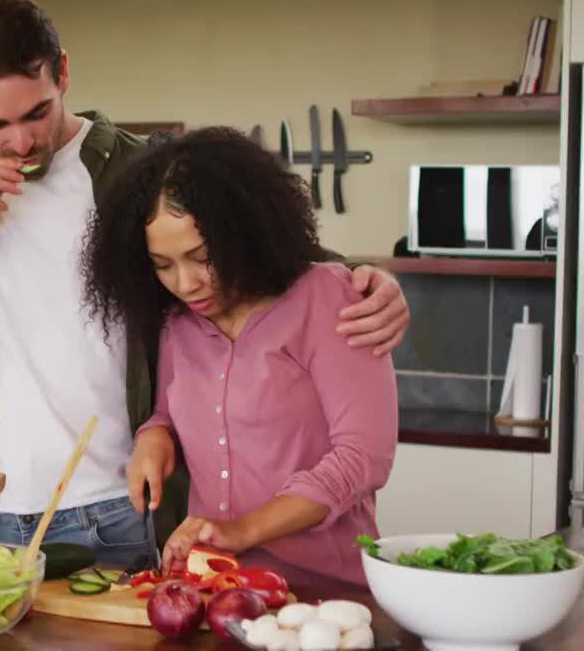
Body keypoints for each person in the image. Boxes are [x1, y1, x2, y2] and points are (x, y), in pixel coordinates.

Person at [0, 0, 409, 566]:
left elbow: (267, 251)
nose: (20, 142)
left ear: (63, 73)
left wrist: (365, 277)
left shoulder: (139, 170)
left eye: (36, 113)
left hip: (133, 512)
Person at [81, 126, 398, 588]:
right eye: (163, 265)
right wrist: (156, 437)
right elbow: (170, 412)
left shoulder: (328, 298)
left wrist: (241, 531)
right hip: (211, 588)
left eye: (202, 257)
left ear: (244, 233)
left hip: (322, 592)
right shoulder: (179, 320)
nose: (185, 284)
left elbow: (363, 456)